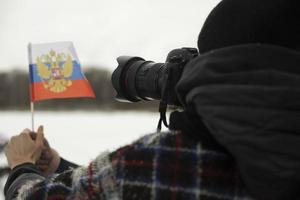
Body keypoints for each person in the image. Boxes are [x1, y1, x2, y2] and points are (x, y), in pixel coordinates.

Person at [4, 0, 300, 199]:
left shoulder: (166, 161)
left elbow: (133, 183)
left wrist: (21, 165)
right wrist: (60, 165)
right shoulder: (156, 168)